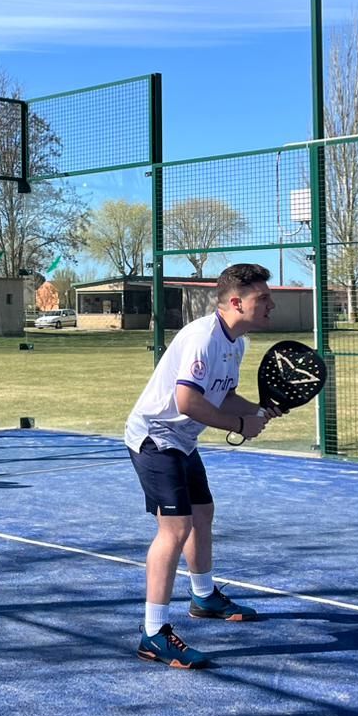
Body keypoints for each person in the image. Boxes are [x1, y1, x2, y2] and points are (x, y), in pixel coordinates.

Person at [124, 262, 281, 669]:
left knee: (202, 514)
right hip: (155, 437)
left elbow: (220, 396)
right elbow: (187, 402)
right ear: (235, 302)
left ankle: (204, 596)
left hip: (181, 440)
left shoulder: (235, 343)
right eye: (262, 299)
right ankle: (153, 634)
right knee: (174, 529)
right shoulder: (202, 338)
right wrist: (240, 425)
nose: (271, 305)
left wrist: (257, 410)